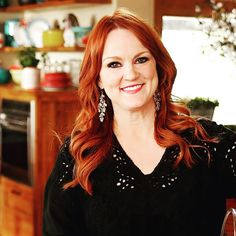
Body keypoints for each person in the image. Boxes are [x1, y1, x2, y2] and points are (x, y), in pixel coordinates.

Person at [43, 8, 236, 236]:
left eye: (141, 59)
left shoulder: (206, 142)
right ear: (98, 79)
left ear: (158, 67)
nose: (131, 74)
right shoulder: (77, 155)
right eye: (114, 64)